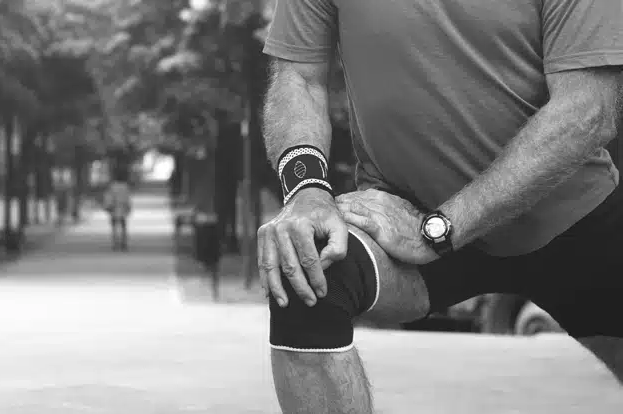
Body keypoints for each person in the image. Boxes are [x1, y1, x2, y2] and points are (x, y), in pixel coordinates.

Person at [257, 0, 623, 412]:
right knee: (308, 268)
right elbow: (300, 79)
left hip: (568, 220)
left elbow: (587, 111)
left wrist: (442, 228)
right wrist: (307, 192)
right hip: (405, 213)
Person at [103, 170, 133, 251]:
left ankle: (115, 243)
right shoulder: (125, 186)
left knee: (114, 227)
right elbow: (128, 198)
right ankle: (123, 243)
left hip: (114, 208)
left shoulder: (112, 186)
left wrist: (107, 206)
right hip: (122, 208)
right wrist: (129, 207)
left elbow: (108, 197)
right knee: (123, 227)